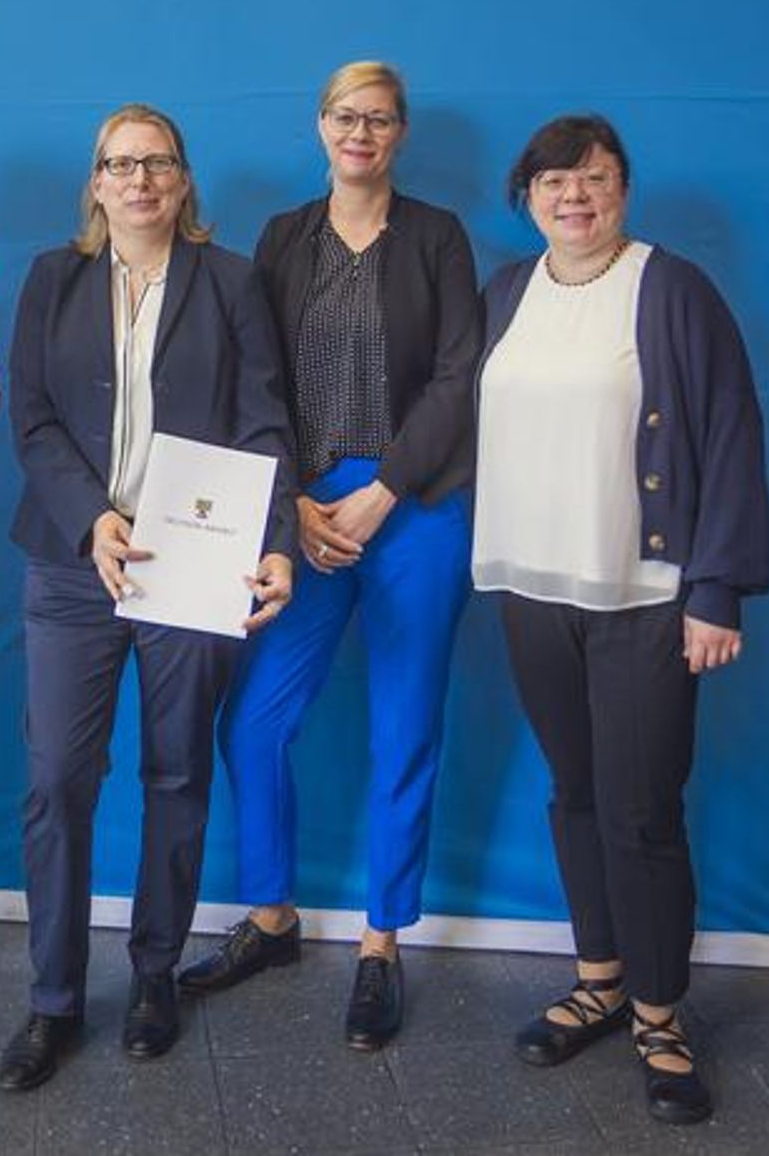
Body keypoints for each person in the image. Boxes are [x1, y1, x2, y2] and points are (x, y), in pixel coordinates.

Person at [473, 114, 769, 1125]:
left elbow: (729, 431)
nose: (574, 197)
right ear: (527, 196)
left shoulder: (670, 289)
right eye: (554, 182)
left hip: (642, 596)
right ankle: (596, 976)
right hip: (530, 587)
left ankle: (657, 1013)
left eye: (593, 180)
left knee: (640, 807)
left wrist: (714, 587)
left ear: (622, 191)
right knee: (574, 794)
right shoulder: (505, 292)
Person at [179, 62, 482, 1051]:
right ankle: (270, 917)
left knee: (404, 727)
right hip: (299, 510)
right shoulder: (281, 237)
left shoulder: (435, 236)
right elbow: (253, 373)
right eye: (345, 115)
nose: (361, 131)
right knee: (252, 724)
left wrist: (384, 487)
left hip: (412, 506)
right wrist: (296, 499)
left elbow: (454, 376)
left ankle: (381, 943)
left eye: (380, 118)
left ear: (400, 132)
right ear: (319, 125)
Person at [0, 103, 296, 1091]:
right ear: (94, 183)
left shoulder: (231, 281)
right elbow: (33, 422)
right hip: (75, 560)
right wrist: (92, 519)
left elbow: (263, 425)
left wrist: (277, 543)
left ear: (181, 181)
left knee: (174, 772)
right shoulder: (53, 278)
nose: (137, 181)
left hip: (193, 564)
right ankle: (52, 998)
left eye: (155, 163)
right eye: (119, 165)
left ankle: (155, 973)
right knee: (57, 782)